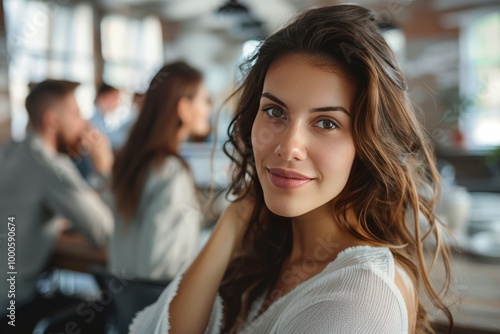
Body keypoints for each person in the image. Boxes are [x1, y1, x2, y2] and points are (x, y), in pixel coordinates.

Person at [129, 5, 453, 334]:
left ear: (367, 144)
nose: (288, 147)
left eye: (326, 123)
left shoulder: (361, 295)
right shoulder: (264, 254)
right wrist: (236, 214)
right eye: (275, 112)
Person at [0, 79, 114, 331]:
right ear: (51, 120)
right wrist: (103, 168)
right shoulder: (50, 165)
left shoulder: (10, 151)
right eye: (75, 113)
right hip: (11, 308)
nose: (83, 123)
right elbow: (103, 232)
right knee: (99, 309)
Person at [110, 61, 211, 280]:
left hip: (128, 304)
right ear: (184, 108)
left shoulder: (136, 162)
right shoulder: (171, 172)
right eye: (204, 100)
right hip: (159, 306)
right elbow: (162, 267)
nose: (208, 110)